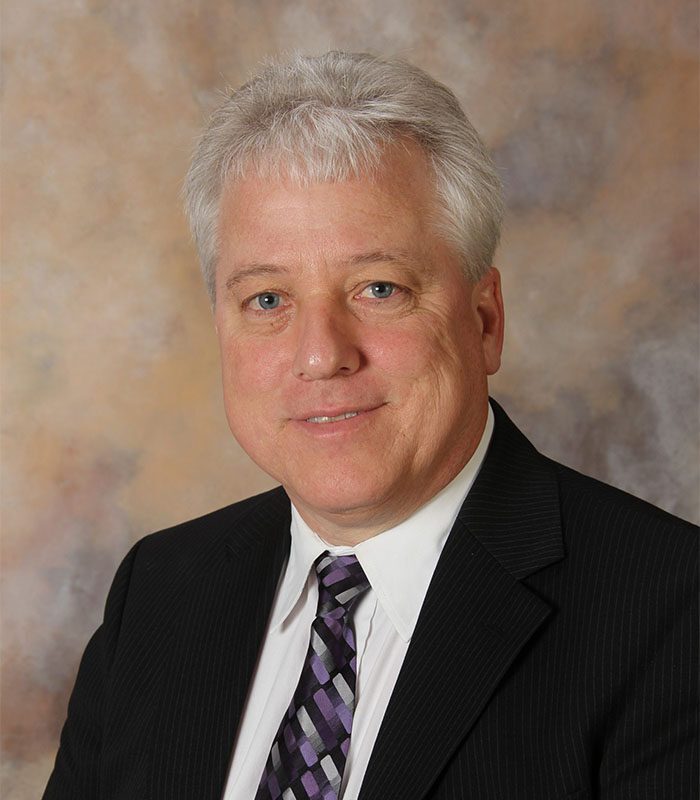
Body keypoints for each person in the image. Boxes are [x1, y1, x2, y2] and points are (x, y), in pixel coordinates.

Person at [44, 51, 697, 800]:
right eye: (267, 300)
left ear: (484, 322)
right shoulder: (158, 596)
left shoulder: (673, 616)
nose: (321, 355)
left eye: (378, 288)